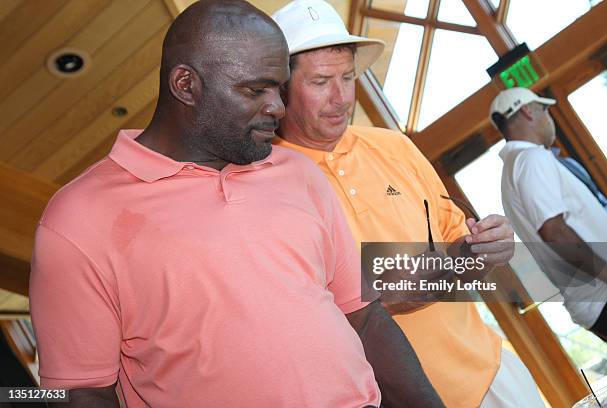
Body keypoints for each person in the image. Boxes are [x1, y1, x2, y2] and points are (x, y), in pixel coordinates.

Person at [28, 1, 444, 407]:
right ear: (185, 85)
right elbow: (81, 391)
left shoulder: (298, 172)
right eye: (255, 89)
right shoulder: (79, 219)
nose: (278, 108)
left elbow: (364, 316)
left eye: (279, 88)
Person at [272, 1, 545, 407]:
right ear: (279, 90)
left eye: (347, 77)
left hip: (491, 371)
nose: (340, 97)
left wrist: (487, 247)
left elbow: (456, 242)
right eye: (320, 82)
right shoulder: (269, 189)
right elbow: (332, 309)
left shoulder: (393, 146)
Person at [491, 87, 607, 345]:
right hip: (604, 295)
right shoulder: (530, 159)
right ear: (527, 111)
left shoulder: (517, 167)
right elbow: (554, 233)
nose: (550, 118)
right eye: (544, 109)